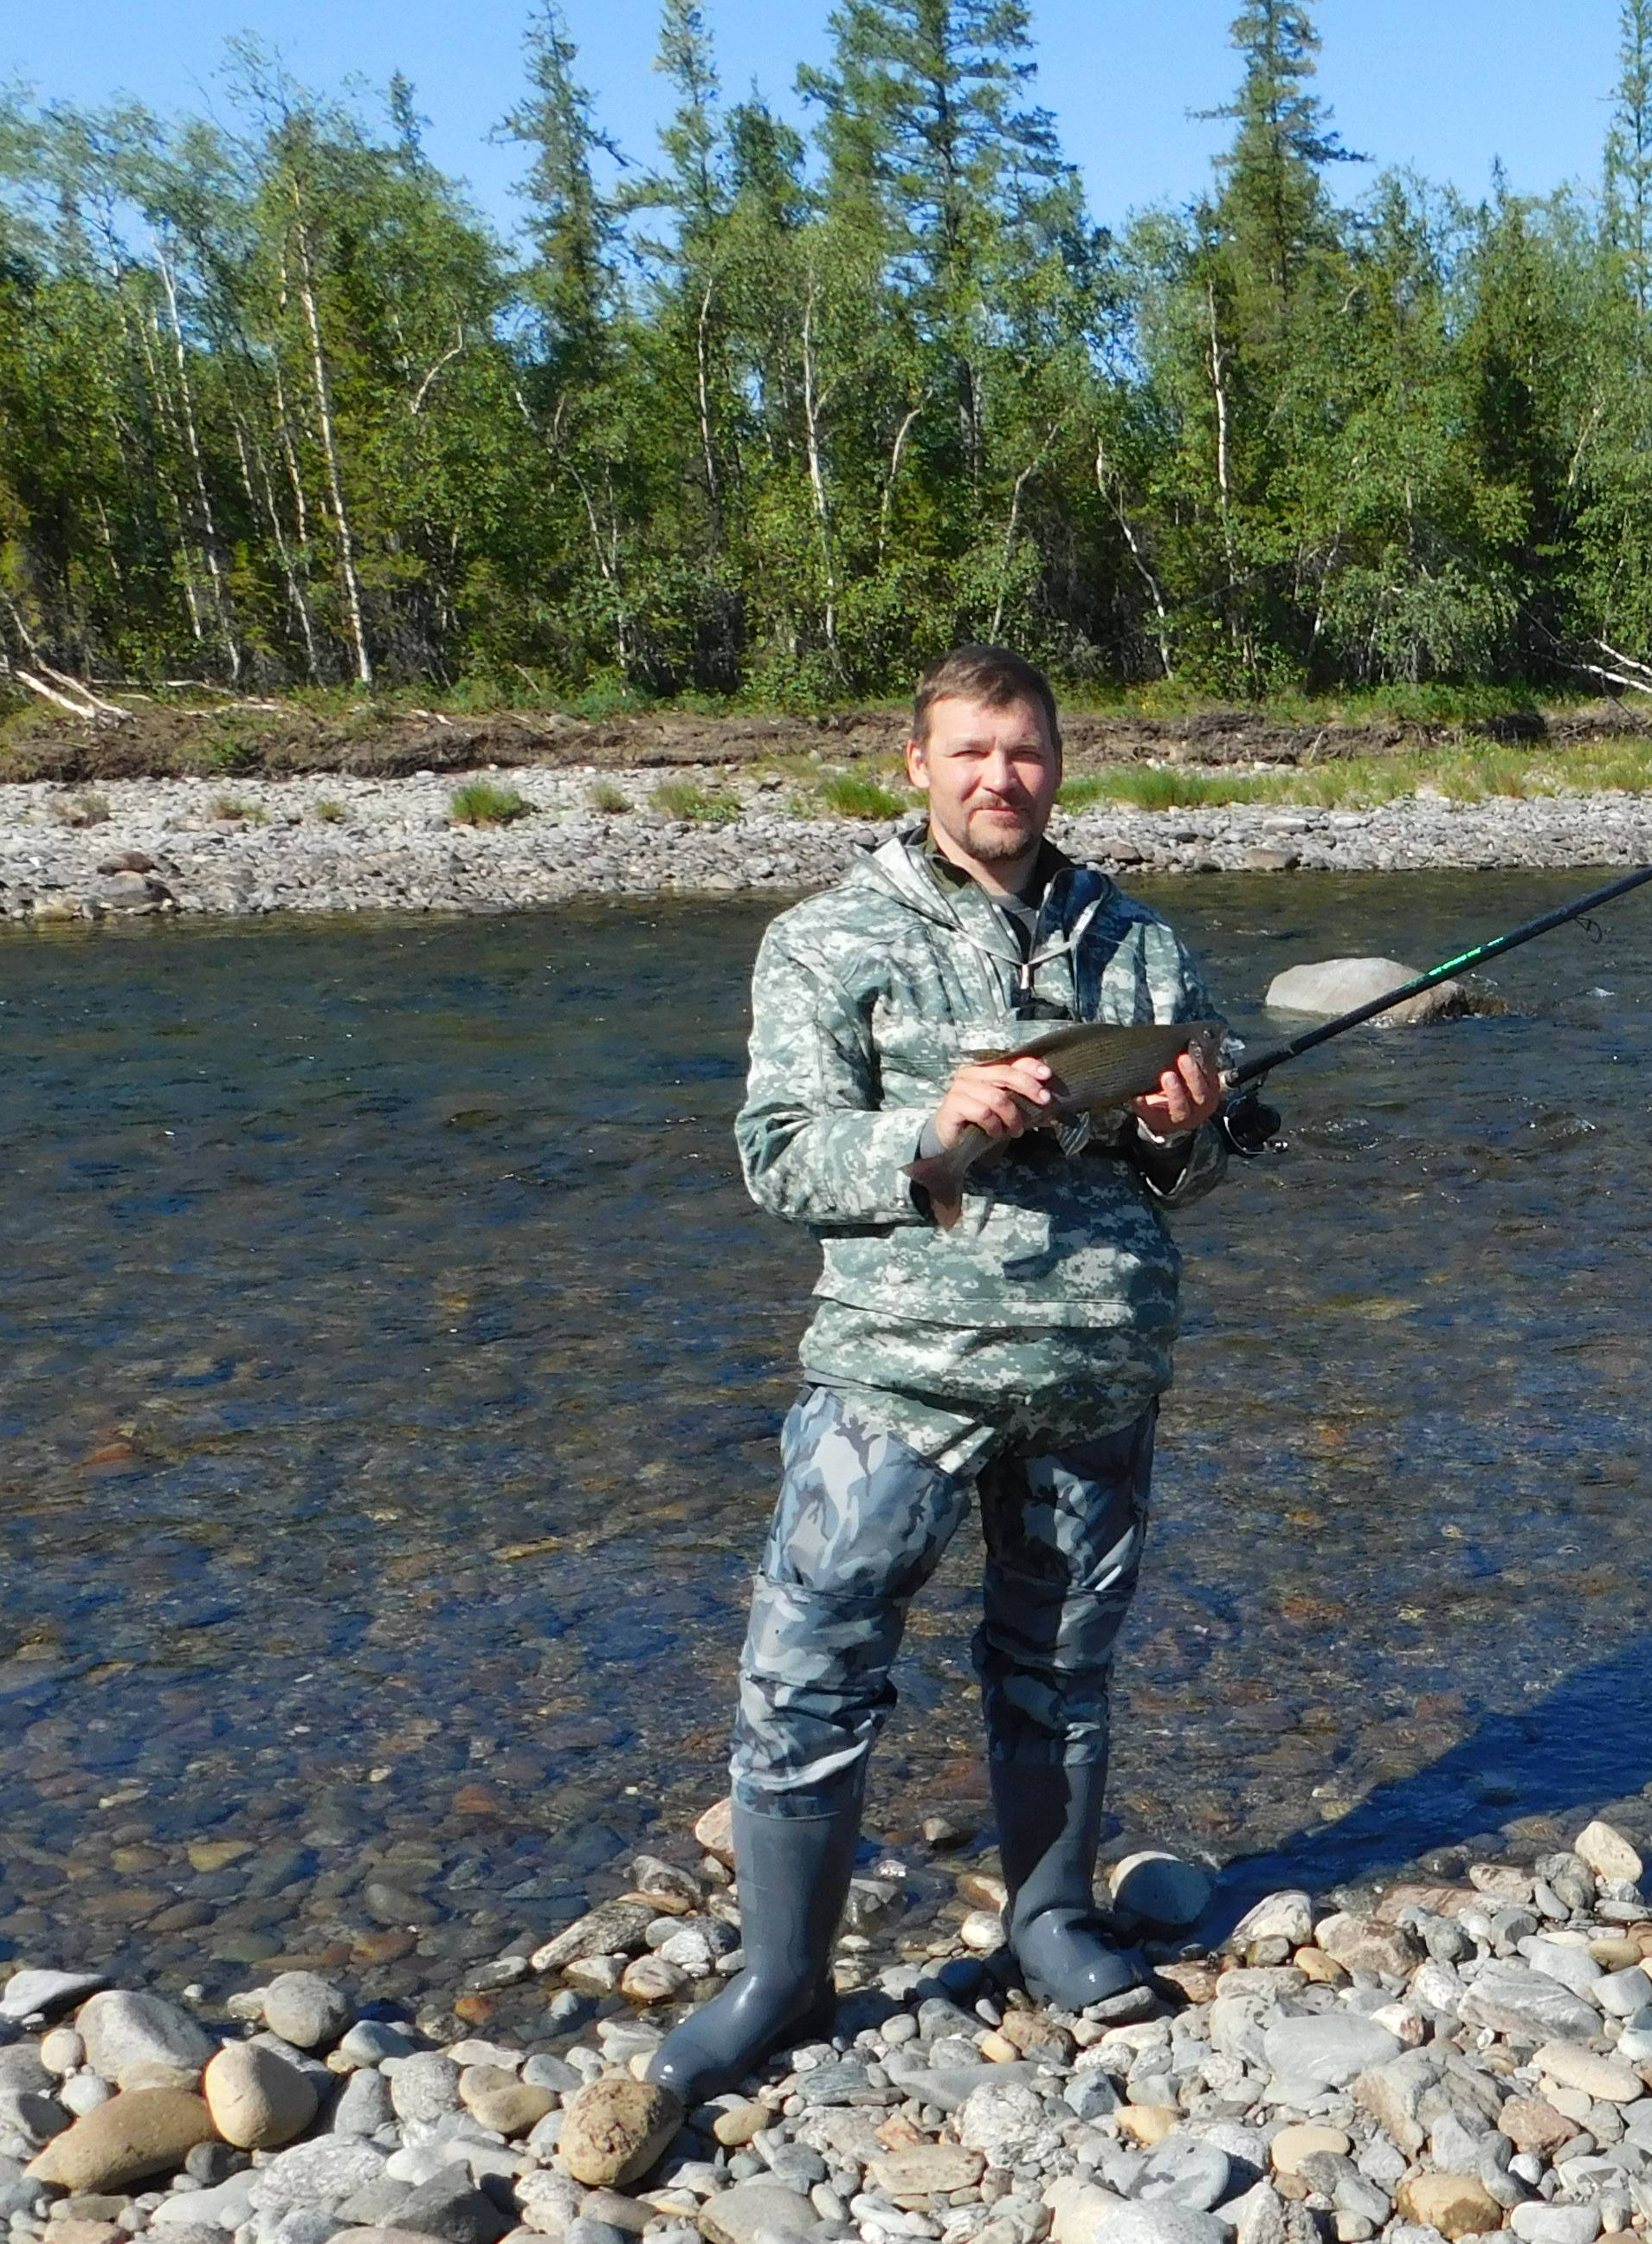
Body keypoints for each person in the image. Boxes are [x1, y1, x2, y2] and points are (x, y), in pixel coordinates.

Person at [655, 645, 1238, 2099]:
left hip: (1099, 1371)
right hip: (894, 1380)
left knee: (1060, 1668)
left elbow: (1194, 1172)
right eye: (970, 752)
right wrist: (930, 1123)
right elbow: (777, 1156)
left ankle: (1049, 1917)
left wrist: (1183, 1130)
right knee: (809, 1668)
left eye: (1026, 749)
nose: (1001, 777)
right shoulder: (825, 939)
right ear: (913, 765)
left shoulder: (1145, 946)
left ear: (1058, 759)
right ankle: (783, 1975)